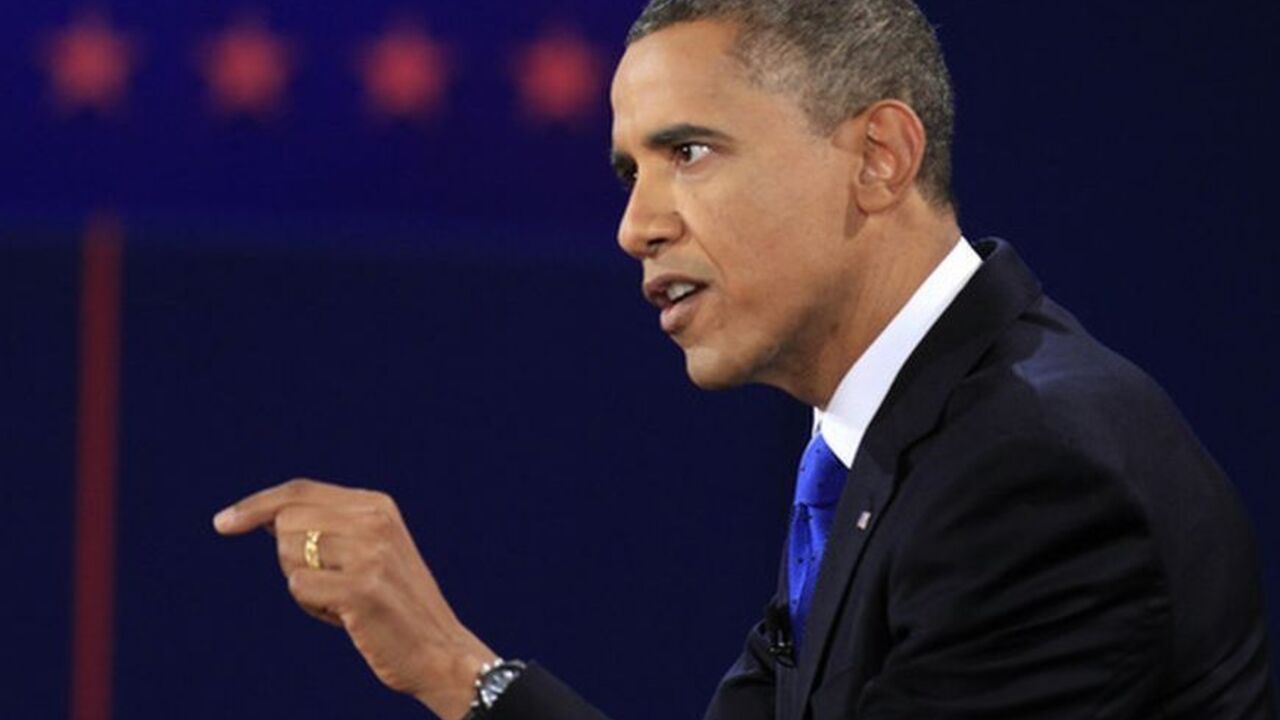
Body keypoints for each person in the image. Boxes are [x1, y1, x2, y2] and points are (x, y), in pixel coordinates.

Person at [213, 1, 1277, 718]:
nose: (635, 224)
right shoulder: (890, 443)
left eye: (688, 153)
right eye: (628, 170)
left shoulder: (1034, 475)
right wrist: (461, 673)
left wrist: (457, 669)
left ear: (877, 158)